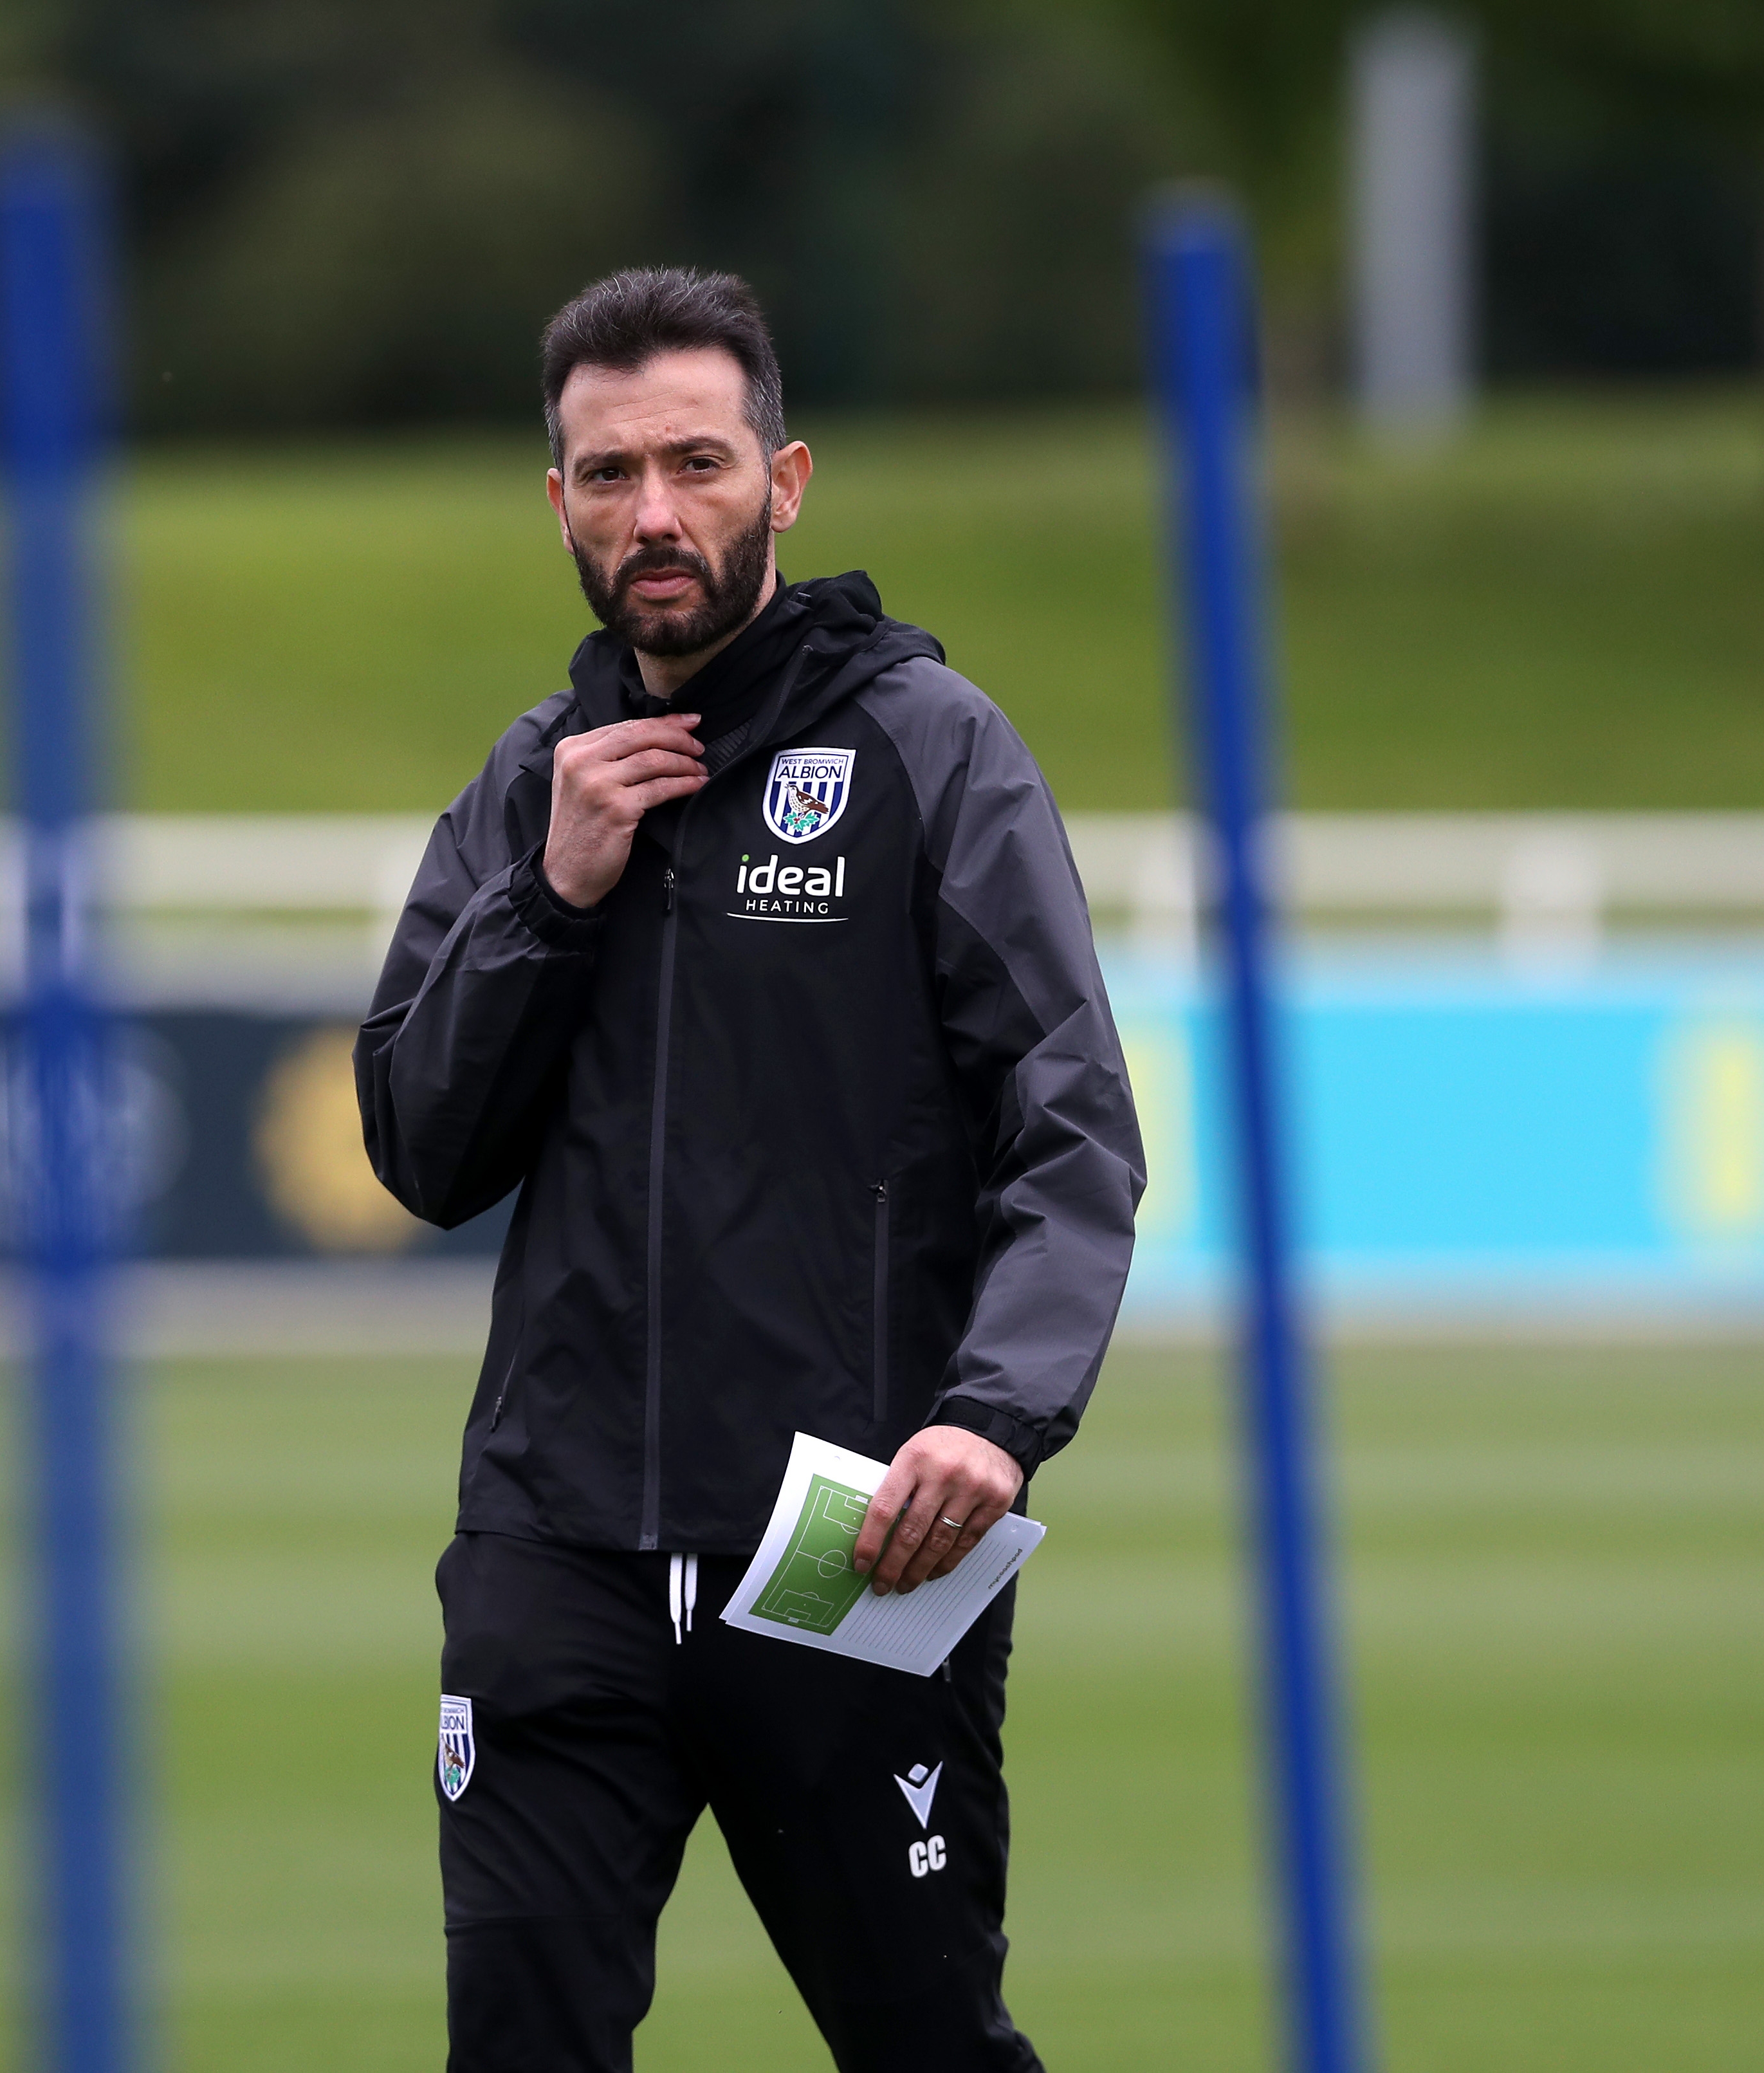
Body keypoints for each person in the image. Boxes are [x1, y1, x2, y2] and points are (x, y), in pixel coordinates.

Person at [356, 266, 1144, 2073]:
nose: (655, 514)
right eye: (609, 472)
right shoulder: (530, 786)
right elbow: (419, 1144)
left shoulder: (927, 749)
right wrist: (542, 906)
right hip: (552, 1554)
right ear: (554, 500)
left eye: (695, 464)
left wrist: (995, 1415)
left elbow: (1070, 1118)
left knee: (927, 2046)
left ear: (781, 481)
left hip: (854, 1546)